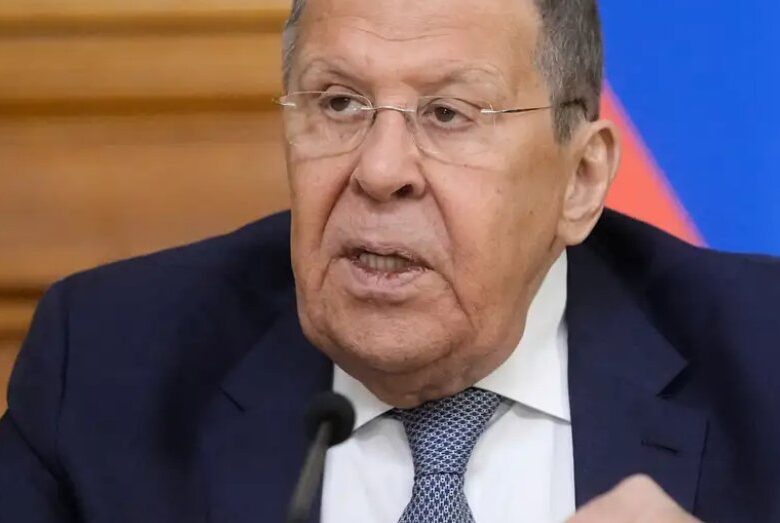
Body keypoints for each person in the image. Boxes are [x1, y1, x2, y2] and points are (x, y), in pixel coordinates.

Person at [1, 0, 778, 521]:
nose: (379, 170)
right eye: (339, 102)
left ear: (580, 178)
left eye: (448, 114)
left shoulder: (762, 360)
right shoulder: (108, 370)